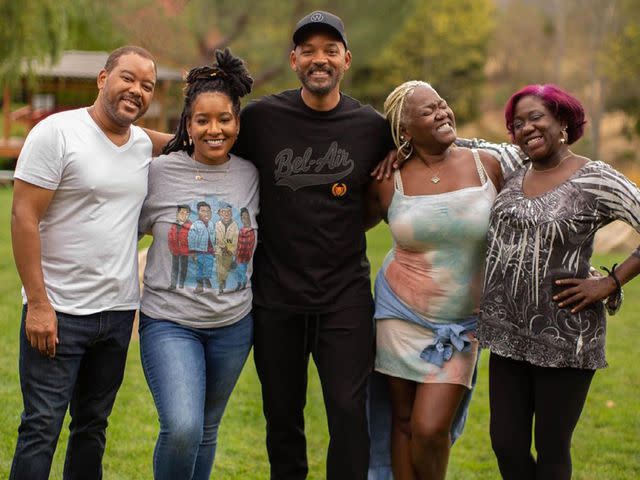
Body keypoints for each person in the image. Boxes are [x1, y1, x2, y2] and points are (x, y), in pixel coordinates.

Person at [232, 10, 395, 480]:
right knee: (282, 417)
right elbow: (209, 142)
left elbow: (408, 166)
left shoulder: (372, 127)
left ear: (346, 58)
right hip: (275, 296)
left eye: (329, 50)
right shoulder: (262, 119)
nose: (318, 59)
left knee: (348, 414)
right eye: (308, 50)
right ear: (293, 60)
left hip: (343, 297)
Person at [9, 46, 157, 479]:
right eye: (127, 78)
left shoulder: (144, 144)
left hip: (116, 314)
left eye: (147, 86)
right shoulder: (58, 132)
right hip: (58, 311)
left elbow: (198, 138)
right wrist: (38, 304)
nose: (136, 90)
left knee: (92, 427)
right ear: (102, 78)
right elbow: (23, 217)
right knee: (41, 427)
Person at [480, 84, 640, 480]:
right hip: (506, 334)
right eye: (517, 123)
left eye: (536, 118)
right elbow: (454, 141)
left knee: (552, 449)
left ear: (563, 121)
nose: (526, 128)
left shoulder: (596, 178)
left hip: (565, 336)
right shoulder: (514, 167)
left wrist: (611, 282)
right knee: (506, 444)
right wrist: (402, 148)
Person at [366, 81, 502, 480]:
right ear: (404, 131)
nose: (442, 112)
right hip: (397, 313)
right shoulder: (388, 178)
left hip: (461, 323)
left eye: (443, 105)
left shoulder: (488, 164)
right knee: (404, 421)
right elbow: (342, 224)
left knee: (429, 427)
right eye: (429, 111)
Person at [137, 48, 258, 480]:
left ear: (237, 123)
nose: (214, 129)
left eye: (224, 119)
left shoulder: (251, 175)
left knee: (206, 430)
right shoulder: (159, 173)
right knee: (183, 427)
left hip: (233, 326)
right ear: (188, 125)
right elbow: (123, 232)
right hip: (170, 323)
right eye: (202, 120)